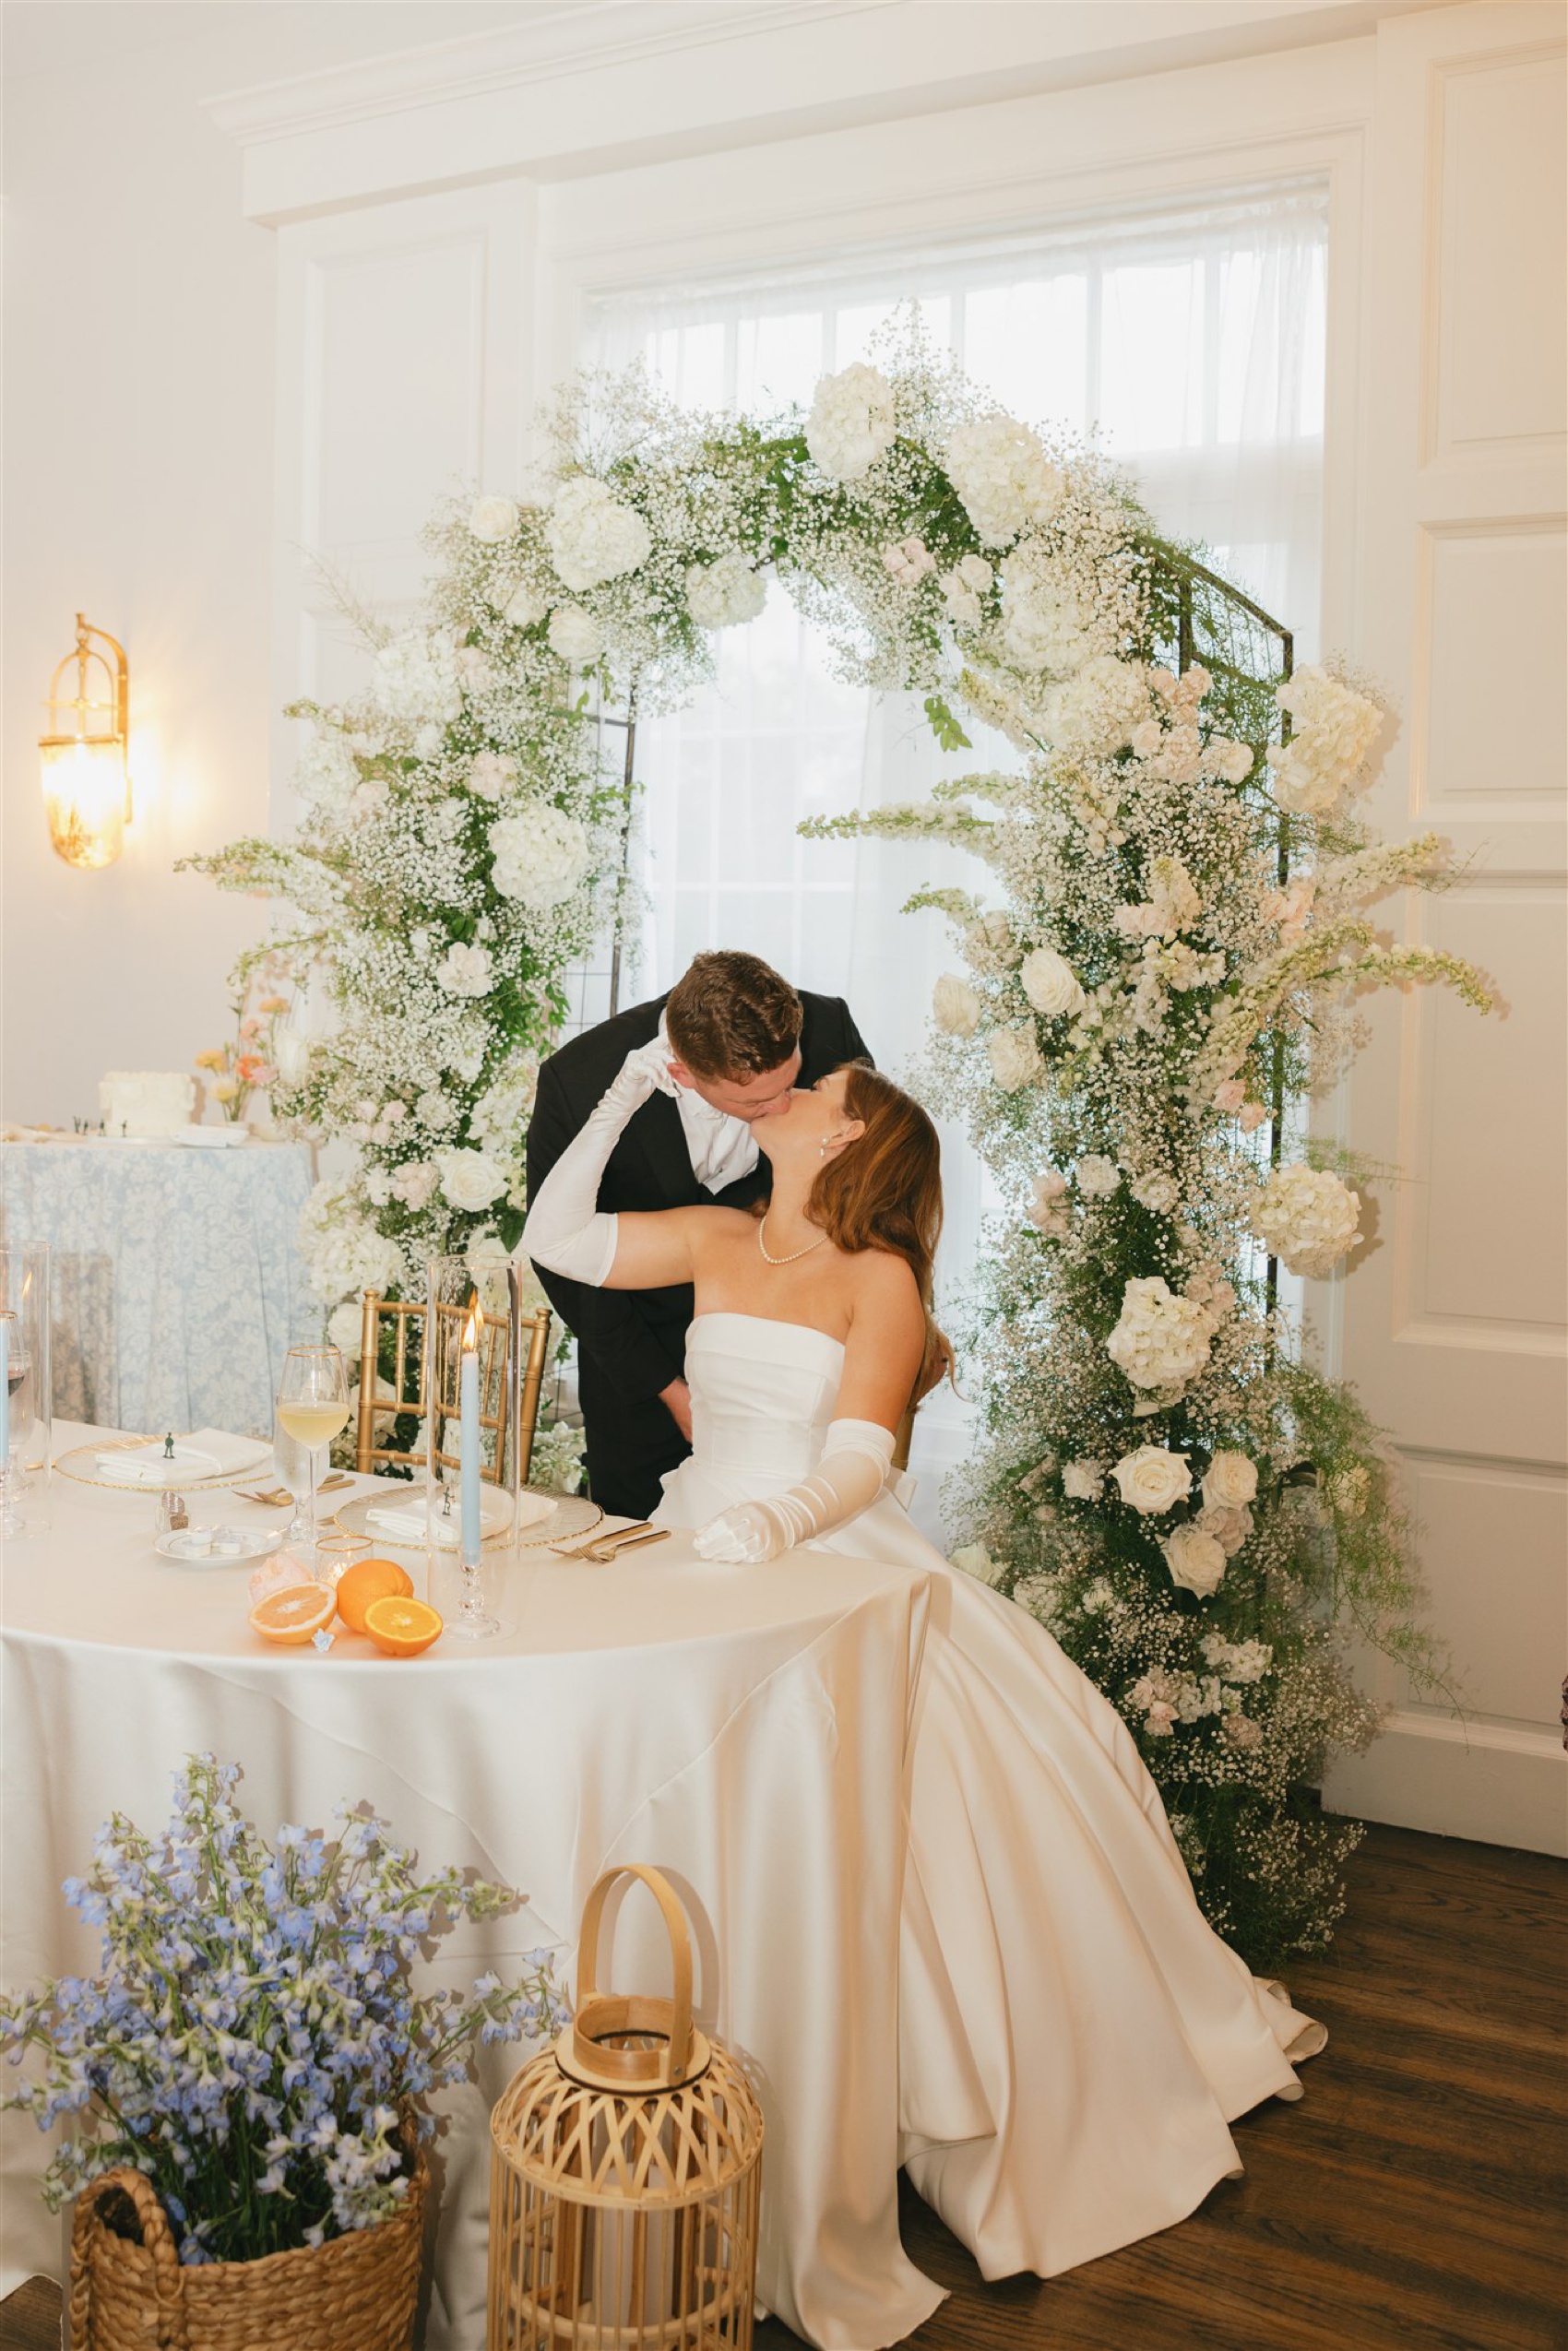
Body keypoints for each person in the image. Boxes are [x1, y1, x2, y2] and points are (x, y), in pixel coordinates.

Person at [521, 1045, 1324, 2289]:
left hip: (821, 1555)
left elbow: (859, 1459)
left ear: (847, 1143)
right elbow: (556, 1236)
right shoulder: (721, 1236)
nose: (781, 1094)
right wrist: (630, 1089)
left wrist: (776, 1525)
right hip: (693, 1544)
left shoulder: (879, 1276)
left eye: (815, 1096)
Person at [524, 951, 868, 1519]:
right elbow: (562, 1261)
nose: (784, 1106)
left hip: (789, 1362)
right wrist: (669, 1390)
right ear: (683, 1072)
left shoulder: (828, 1028)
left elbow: (869, 1184)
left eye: (791, 1083)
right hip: (638, 1361)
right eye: (756, 1102)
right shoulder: (578, 1079)